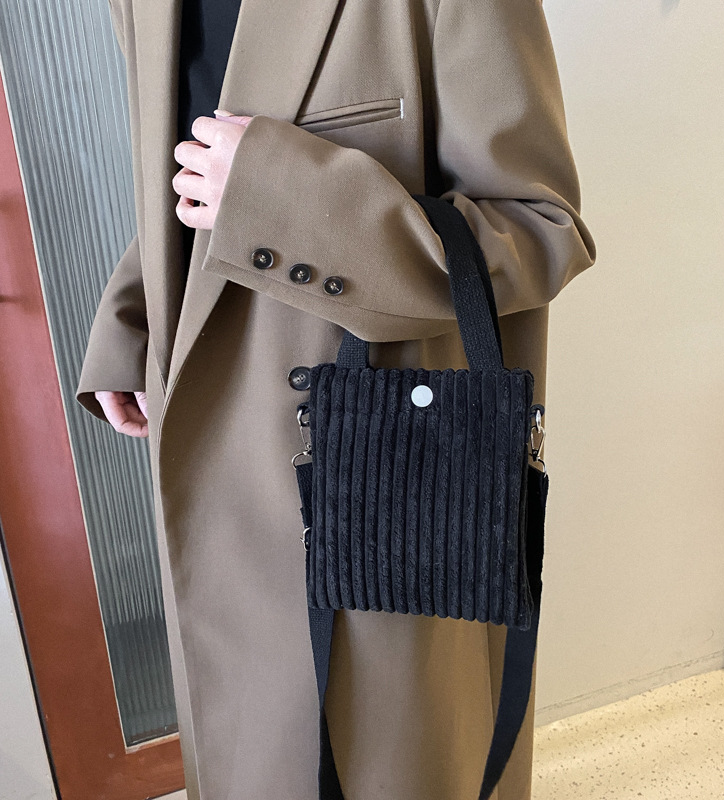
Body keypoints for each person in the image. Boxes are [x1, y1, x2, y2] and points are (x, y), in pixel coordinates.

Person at [77, 0, 596, 797]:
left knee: (381, 762)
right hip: (206, 462)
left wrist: (282, 195)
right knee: (242, 749)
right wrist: (133, 316)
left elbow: (541, 231)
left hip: (377, 485)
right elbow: (182, 166)